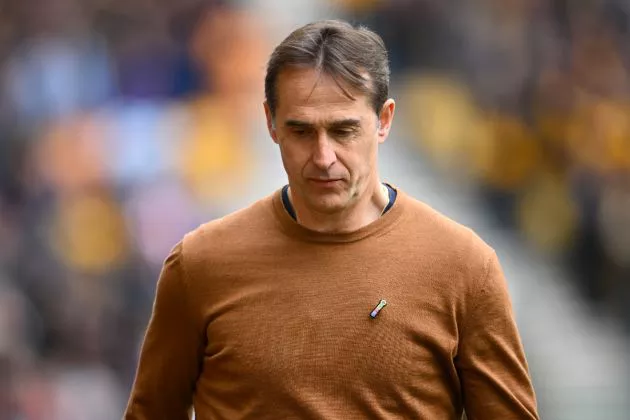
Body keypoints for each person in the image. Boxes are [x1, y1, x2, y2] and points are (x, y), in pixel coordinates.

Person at [123, 19, 539, 419]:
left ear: (384, 120)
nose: (323, 158)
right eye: (302, 131)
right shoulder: (200, 265)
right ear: (270, 122)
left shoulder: (463, 267)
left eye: (343, 131)